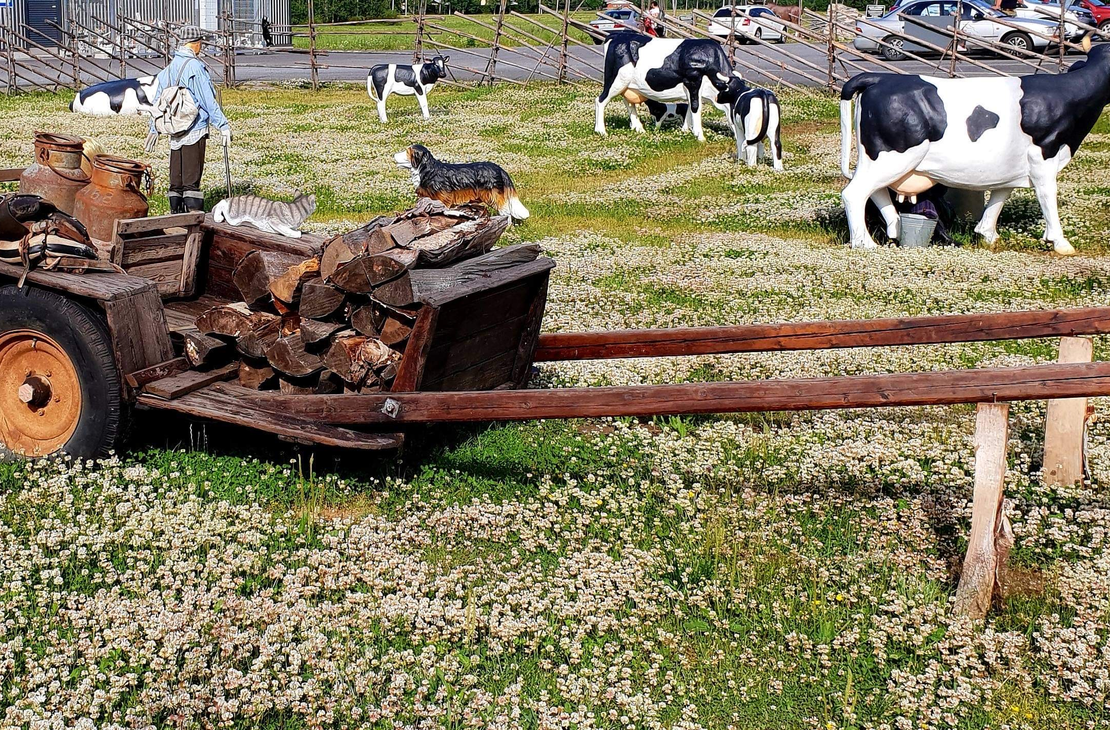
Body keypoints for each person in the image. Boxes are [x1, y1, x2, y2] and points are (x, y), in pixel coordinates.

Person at [145, 25, 232, 214]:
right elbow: (207, 100)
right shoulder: (195, 67)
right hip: (195, 128)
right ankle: (193, 225)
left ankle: (175, 218)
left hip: (174, 129)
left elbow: (158, 103)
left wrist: (154, 128)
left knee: (176, 181)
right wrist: (223, 125)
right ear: (196, 44)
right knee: (191, 181)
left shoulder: (168, 69)